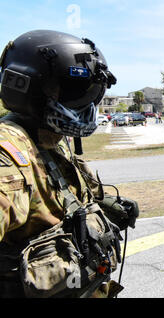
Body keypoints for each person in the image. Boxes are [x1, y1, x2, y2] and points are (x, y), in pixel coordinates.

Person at [0, 30, 139, 298]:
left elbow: (62, 196)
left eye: (89, 94)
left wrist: (101, 204)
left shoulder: (50, 138)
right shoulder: (9, 153)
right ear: (25, 87)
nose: (86, 106)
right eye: (73, 93)